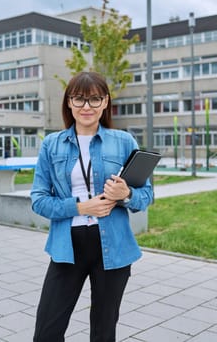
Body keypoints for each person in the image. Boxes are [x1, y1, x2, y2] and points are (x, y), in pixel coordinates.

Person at [31, 72, 154, 342]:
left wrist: (126, 194)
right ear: (69, 103)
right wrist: (81, 207)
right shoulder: (52, 145)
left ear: (106, 102)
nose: (87, 106)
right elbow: (38, 200)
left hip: (113, 247)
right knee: (46, 333)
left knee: (103, 331)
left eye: (95, 99)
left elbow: (146, 196)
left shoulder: (123, 141)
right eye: (79, 99)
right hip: (67, 247)